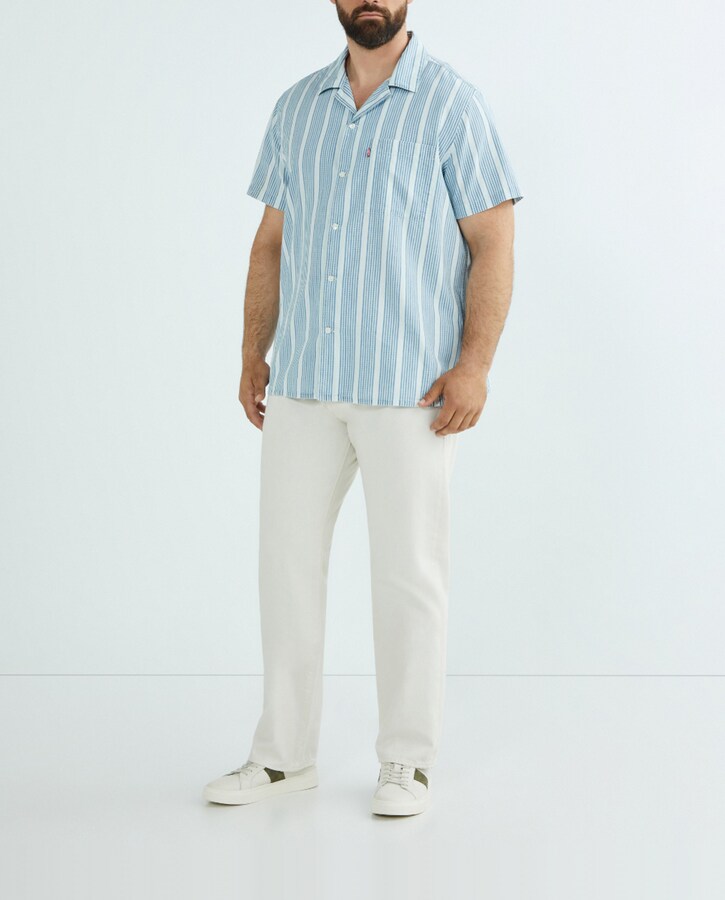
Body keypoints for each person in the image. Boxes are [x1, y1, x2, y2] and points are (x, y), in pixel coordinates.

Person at [203, 0, 523, 817]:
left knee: (408, 576)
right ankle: (282, 757)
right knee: (284, 571)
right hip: (304, 384)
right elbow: (270, 241)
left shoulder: (453, 104)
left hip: (409, 390)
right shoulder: (296, 108)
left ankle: (406, 761)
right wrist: (251, 351)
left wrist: (475, 366)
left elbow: (492, 240)